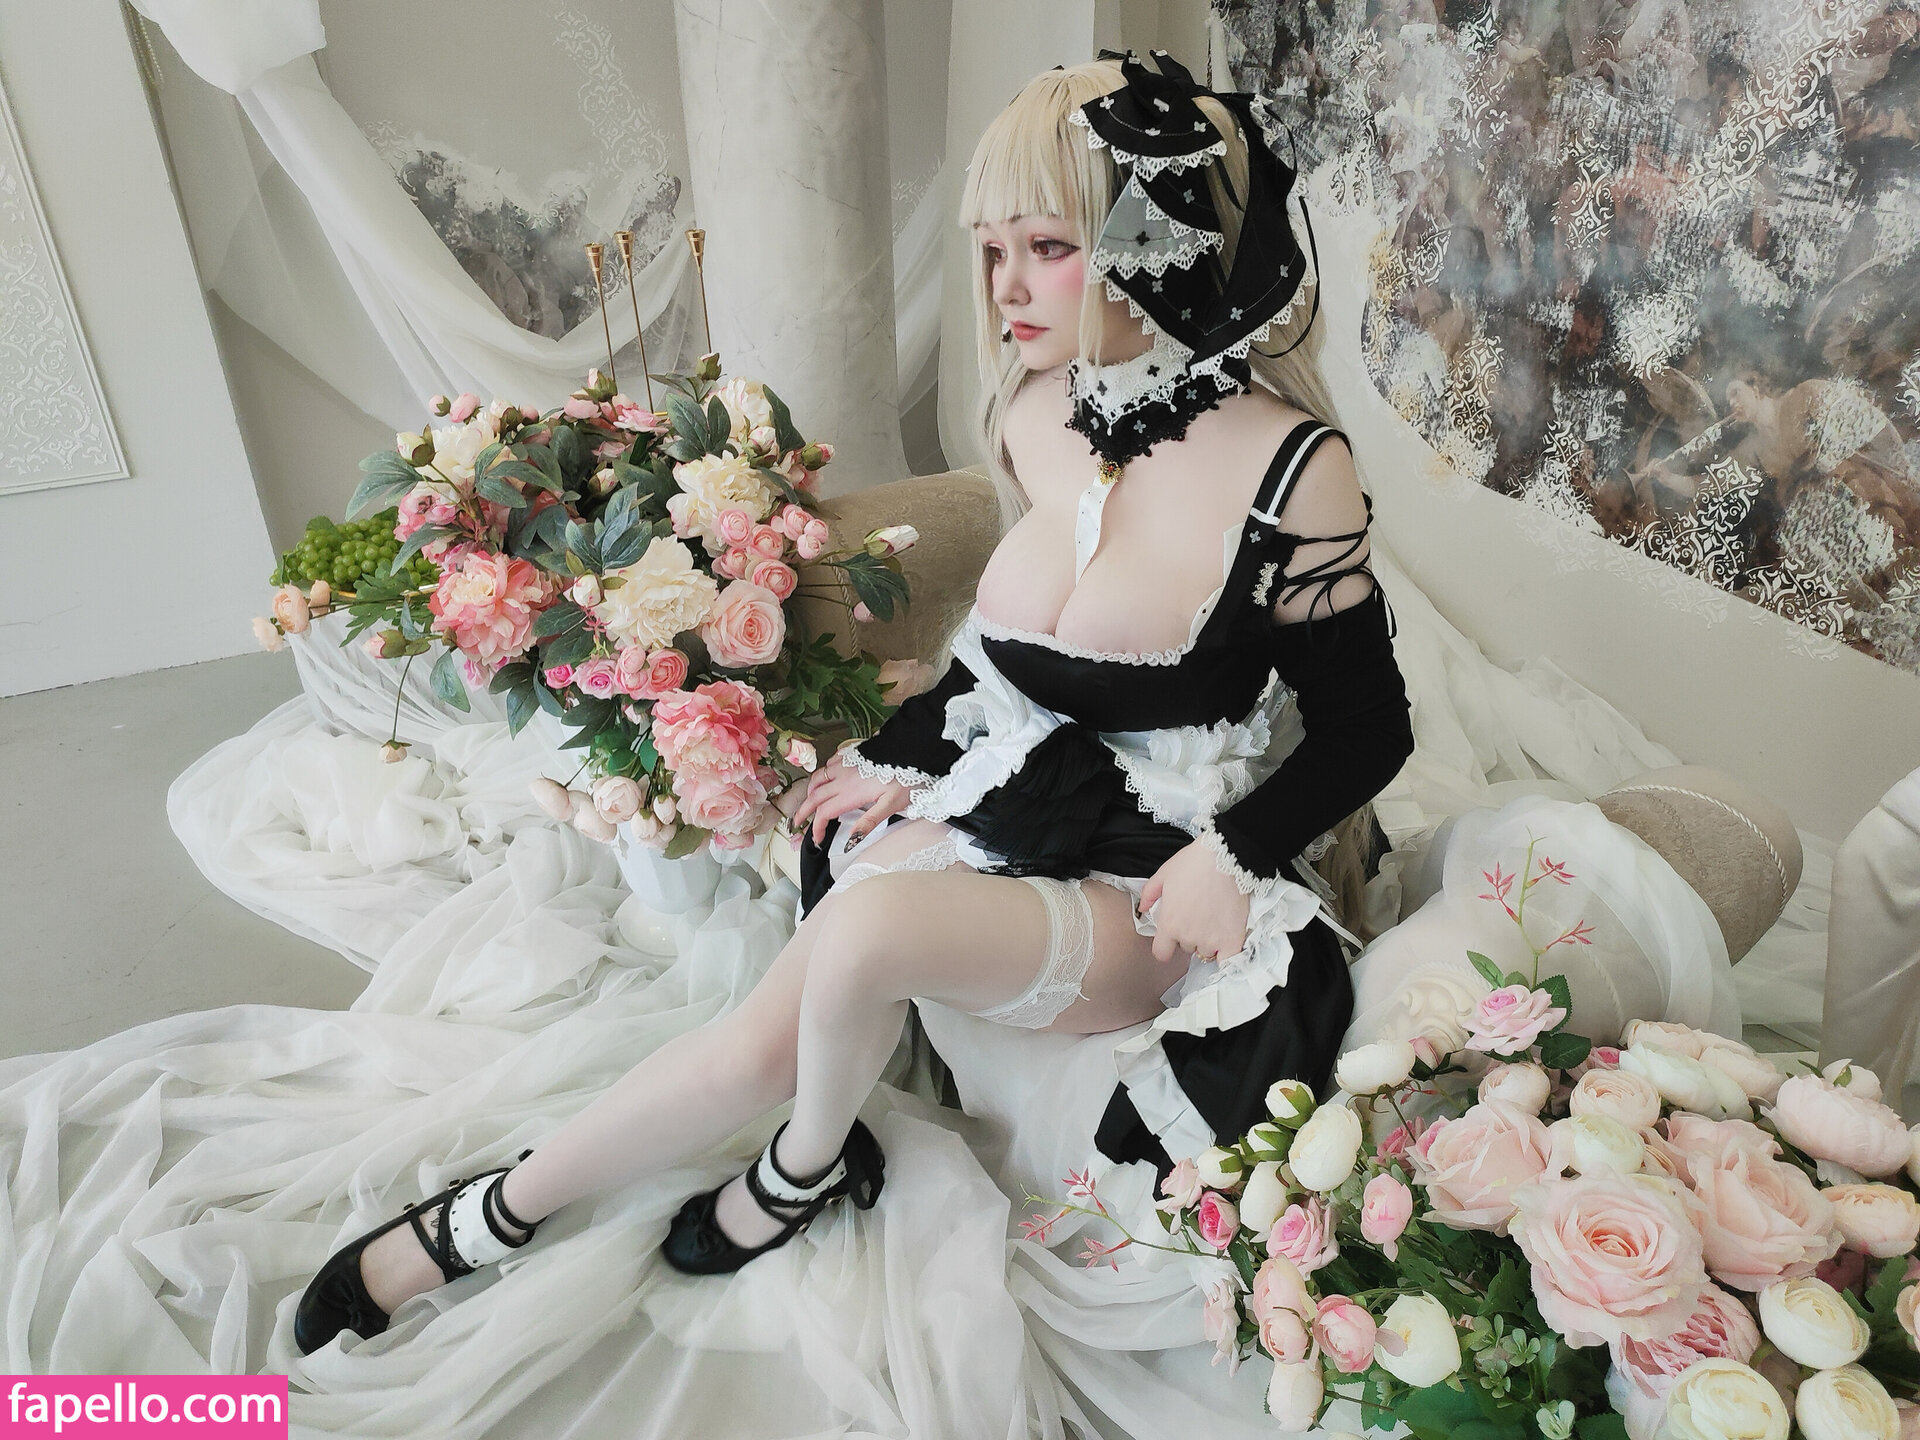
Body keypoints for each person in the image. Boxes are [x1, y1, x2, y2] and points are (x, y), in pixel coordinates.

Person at [294, 50, 1414, 1356]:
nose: (1002, 288)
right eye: (990, 249)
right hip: (1025, 803)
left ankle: (796, 1168)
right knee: (771, 1016)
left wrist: (1235, 854)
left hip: (1158, 888)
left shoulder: (1292, 469)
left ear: (1158, 240)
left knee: (865, 937)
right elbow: (1009, 661)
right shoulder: (1038, 413)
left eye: (1047, 247)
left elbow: (1369, 727)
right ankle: (482, 1221)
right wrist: (905, 751)